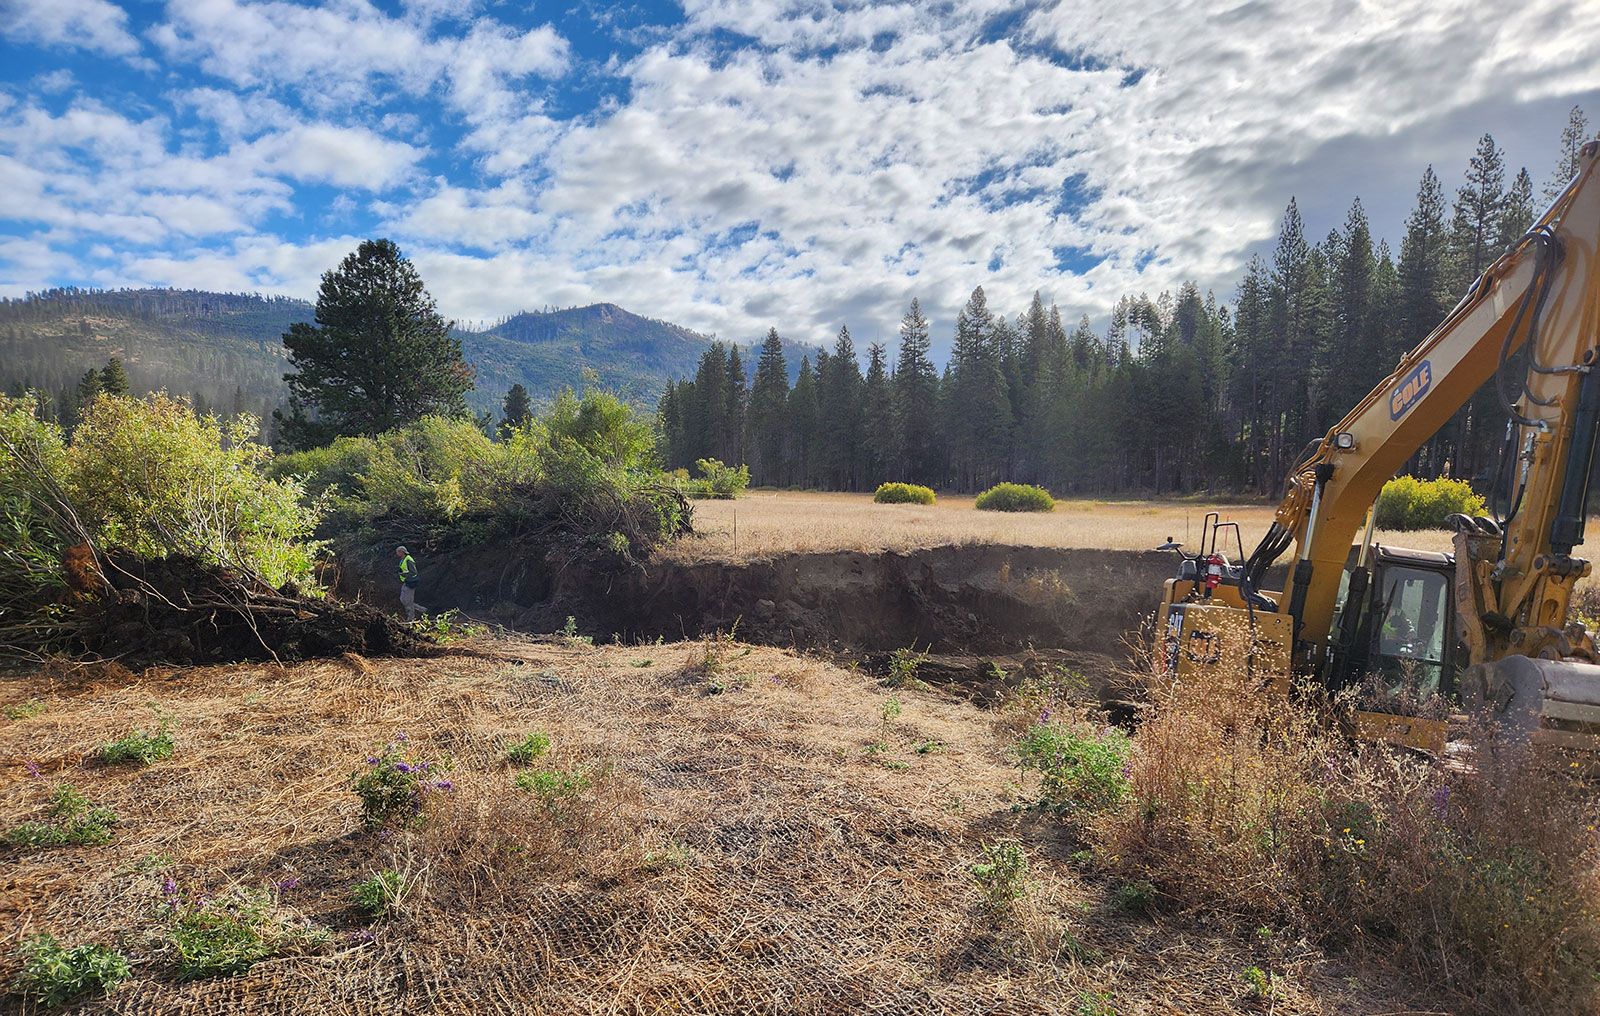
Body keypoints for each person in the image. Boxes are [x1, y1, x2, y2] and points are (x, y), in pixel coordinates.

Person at [395, 545, 420, 621]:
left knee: (408, 601)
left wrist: (403, 574)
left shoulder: (408, 560)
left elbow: (413, 572)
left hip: (411, 582)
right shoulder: (403, 559)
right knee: (403, 599)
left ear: (401, 552)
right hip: (406, 581)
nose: (396, 554)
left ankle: (411, 618)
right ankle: (422, 610)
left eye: (397, 552)